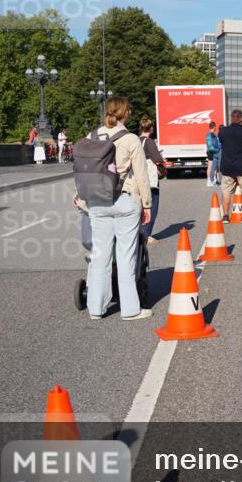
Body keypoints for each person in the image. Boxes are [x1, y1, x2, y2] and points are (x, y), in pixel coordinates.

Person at [85, 97, 153, 320]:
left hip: (97, 200)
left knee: (100, 256)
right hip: (125, 199)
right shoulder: (131, 139)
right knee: (125, 256)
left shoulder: (91, 137)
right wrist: (147, 204)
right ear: (126, 113)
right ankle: (130, 309)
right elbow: (142, 175)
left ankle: (96, 308)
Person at [218, 109, 242, 224]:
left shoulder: (223, 132)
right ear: (241, 119)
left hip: (228, 167)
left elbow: (221, 139)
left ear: (231, 118)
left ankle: (225, 216)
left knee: (226, 191)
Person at [138, 116, 166, 244]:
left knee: (140, 205)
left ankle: (138, 232)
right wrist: (162, 160)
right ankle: (147, 233)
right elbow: (157, 158)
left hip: (138, 176)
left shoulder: (136, 140)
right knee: (152, 205)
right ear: (151, 128)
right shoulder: (149, 142)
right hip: (149, 178)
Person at [205, 122, 221, 187]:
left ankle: (213, 179)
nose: (216, 128)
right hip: (212, 152)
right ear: (214, 127)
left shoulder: (209, 134)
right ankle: (209, 181)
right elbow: (212, 145)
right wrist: (217, 150)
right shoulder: (210, 134)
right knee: (211, 167)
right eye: (215, 127)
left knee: (213, 167)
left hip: (210, 152)